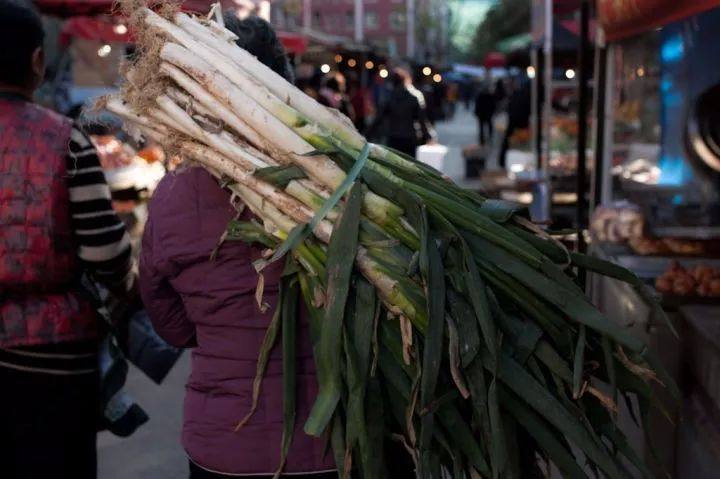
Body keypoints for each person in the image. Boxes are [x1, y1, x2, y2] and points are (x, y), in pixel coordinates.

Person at [139, 15, 337, 479]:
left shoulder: (173, 195)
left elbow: (167, 321)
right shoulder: (340, 177)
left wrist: (224, 330)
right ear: (282, 83)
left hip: (224, 442)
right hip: (336, 441)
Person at [0, 1, 135, 478]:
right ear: (38, 61)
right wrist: (126, 284)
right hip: (55, 359)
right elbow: (106, 255)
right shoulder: (67, 138)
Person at [368, 68, 435, 158]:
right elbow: (422, 119)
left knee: (393, 165)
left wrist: (367, 134)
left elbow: (378, 119)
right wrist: (428, 136)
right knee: (409, 166)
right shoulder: (415, 97)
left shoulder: (389, 98)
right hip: (410, 138)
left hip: (393, 137)